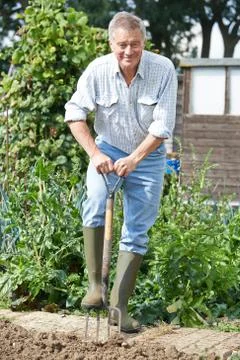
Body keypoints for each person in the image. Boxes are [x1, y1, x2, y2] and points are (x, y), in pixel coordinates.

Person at [64, 11, 177, 333]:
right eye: (122, 45)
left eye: (136, 45)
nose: (129, 52)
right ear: (111, 43)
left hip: (149, 155)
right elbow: (74, 114)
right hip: (108, 150)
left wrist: (137, 158)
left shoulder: (163, 69)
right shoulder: (97, 71)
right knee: (95, 204)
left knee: (137, 230)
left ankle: (119, 307)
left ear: (144, 43)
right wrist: (95, 153)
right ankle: (95, 287)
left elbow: (163, 125)